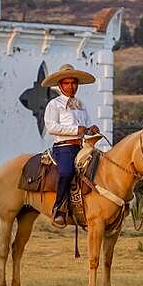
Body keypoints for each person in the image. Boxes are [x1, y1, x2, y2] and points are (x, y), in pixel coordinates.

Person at [41, 64, 100, 228]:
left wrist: (91, 129)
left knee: (100, 167)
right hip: (64, 147)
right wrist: (76, 130)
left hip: (82, 147)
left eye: (74, 83)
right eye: (66, 83)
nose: (71, 86)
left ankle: (91, 208)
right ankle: (59, 208)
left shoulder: (80, 104)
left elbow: (86, 127)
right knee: (66, 172)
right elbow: (51, 127)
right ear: (60, 85)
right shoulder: (54, 104)